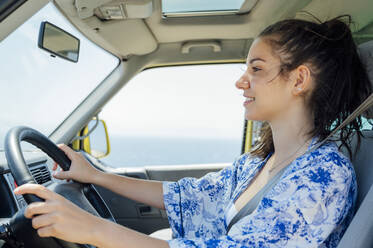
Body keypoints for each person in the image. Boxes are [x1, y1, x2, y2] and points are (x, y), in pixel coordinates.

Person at [14, 15, 372, 248]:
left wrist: (93, 229)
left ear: (299, 79)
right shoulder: (261, 162)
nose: (240, 81)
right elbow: (189, 196)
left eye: (257, 69)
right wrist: (95, 176)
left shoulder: (324, 176)